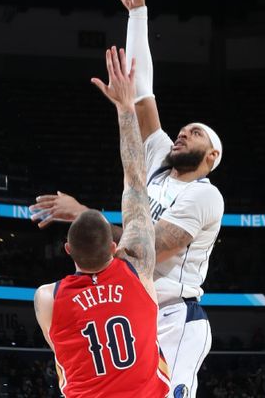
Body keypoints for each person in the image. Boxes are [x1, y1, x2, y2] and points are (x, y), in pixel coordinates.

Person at [30, 0, 224, 398]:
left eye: (192, 133)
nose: (180, 133)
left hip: (175, 316)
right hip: (132, 304)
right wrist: (138, 13)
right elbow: (141, 97)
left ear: (211, 155)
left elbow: (149, 247)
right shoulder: (157, 162)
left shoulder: (206, 197)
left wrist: (83, 214)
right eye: (180, 130)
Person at [32, 47, 170, 398]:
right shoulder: (137, 266)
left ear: (67, 249)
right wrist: (125, 108)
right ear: (114, 246)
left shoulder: (47, 297)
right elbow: (135, 182)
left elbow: (63, 351)